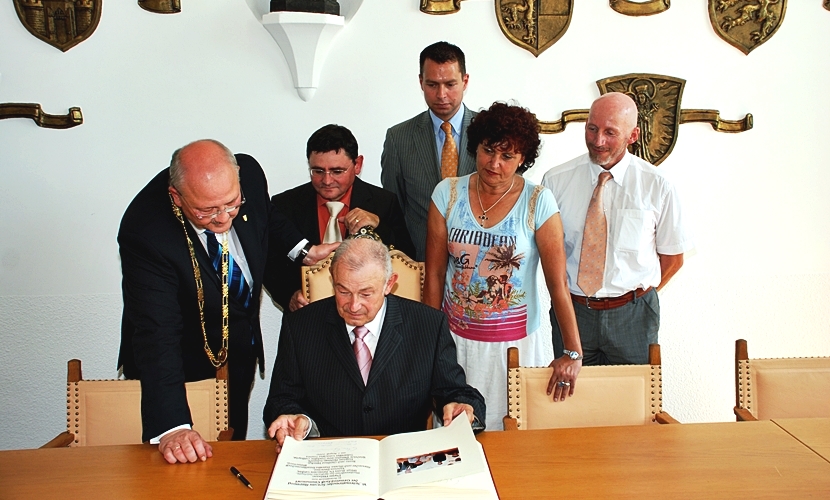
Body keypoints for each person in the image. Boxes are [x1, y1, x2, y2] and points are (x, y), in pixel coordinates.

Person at [118, 139, 337, 464]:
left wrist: (302, 249)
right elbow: (156, 335)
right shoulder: (146, 232)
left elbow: (267, 215)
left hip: (239, 350)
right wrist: (173, 426)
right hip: (184, 362)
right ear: (177, 197)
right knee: (185, 464)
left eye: (232, 204)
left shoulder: (247, 173)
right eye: (207, 210)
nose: (223, 219)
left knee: (230, 451)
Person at [423, 102, 582, 432]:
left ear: (522, 158)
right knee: (456, 437)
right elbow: (435, 275)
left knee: (518, 440)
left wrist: (572, 352)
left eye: (507, 156)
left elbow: (558, 286)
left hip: (516, 348)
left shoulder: (538, 201)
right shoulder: (447, 194)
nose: (494, 163)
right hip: (457, 346)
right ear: (476, 146)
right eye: (488, 150)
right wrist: (427, 343)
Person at [263, 238, 485, 452]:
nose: (354, 305)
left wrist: (461, 407)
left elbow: (455, 391)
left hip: (403, 458)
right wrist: (296, 419)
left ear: (389, 283)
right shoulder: (301, 326)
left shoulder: (427, 325)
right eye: (343, 291)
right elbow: (281, 399)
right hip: (329, 457)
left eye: (366, 293)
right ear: (332, 279)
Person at [542, 92, 694, 365]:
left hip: (634, 316)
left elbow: (673, 257)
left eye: (610, 132)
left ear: (633, 135)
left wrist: (636, 299)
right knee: (573, 403)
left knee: (636, 402)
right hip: (574, 313)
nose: (598, 140)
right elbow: (551, 254)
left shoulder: (657, 185)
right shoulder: (555, 181)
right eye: (592, 128)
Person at [263, 124, 415, 311]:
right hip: (307, 320)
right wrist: (289, 296)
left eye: (337, 171)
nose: (326, 180)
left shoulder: (383, 202)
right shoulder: (284, 204)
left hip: (366, 317)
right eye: (318, 171)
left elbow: (407, 260)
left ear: (357, 165)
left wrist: (379, 225)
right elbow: (269, 263)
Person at [381, 41, 477, 261]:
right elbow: (394, 208)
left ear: (465, 81)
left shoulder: (490, 133)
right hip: (419, 260)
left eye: (450, 84)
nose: (442, 94)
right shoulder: (399, 138)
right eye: (432, 84)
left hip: (478, 262)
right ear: (421, 82)